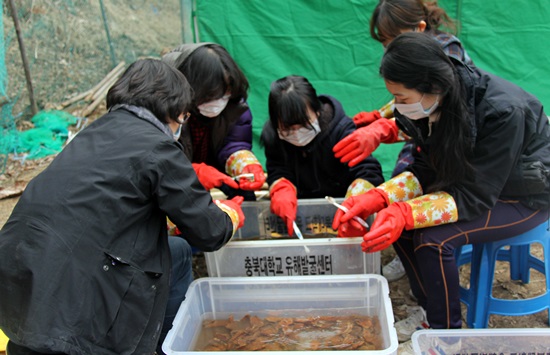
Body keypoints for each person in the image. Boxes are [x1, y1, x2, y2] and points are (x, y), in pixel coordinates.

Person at [0, 58, 245, 355]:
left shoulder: (90, 134)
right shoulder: (158, 146)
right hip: (79, 306)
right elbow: (209, 231)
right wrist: (231, 213)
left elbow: (110, 206)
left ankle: (166, 345)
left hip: (20, 278)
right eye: (182, 118)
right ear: (171, 109)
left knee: (177, 253)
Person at [332, 32, 550, 352]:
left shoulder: (503, 111)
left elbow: (474, 195)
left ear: (433, 86)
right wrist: (377, 198)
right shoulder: (431, 107)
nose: (397, 107)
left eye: (402, 99)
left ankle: (446, 337)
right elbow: (425, 168)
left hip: (525, 194)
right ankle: (428, 313)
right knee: (403, 230)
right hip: (477, 184)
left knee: (433, 239)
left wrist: (405, 212)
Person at [334, 0, 474, 282]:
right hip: (423, 135)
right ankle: (406, 251)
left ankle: (419, 251)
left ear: (419, 28)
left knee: (416, 202)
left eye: (391, 39)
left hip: (450, 140)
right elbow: (406, 97)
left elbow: (432, 109)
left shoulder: (447, 53)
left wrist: (385, 128)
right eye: (384, 42)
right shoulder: (408, 65)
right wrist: (379, 116)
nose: (387, 48)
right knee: (400, 183)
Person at [261, 75, 384, 236]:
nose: (296, 134)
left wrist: (354, 203)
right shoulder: (274, 137)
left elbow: (369, 172)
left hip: (341, 210)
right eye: (287, 128)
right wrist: (280, 187)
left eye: (303, 125)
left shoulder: (342, 132)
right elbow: (277, 168)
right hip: (300, 215)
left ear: (317, 111)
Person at [162, 43, 266, 201]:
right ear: (192, 87)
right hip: (175, 178)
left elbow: (235, 142)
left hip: (217, 169)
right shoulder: (164, 108)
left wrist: (243, 163)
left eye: (226, 94)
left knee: (243, 195)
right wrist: (195, 172)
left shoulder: (235, 105)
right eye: (212, 95)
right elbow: (160, 161)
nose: (220, 102)